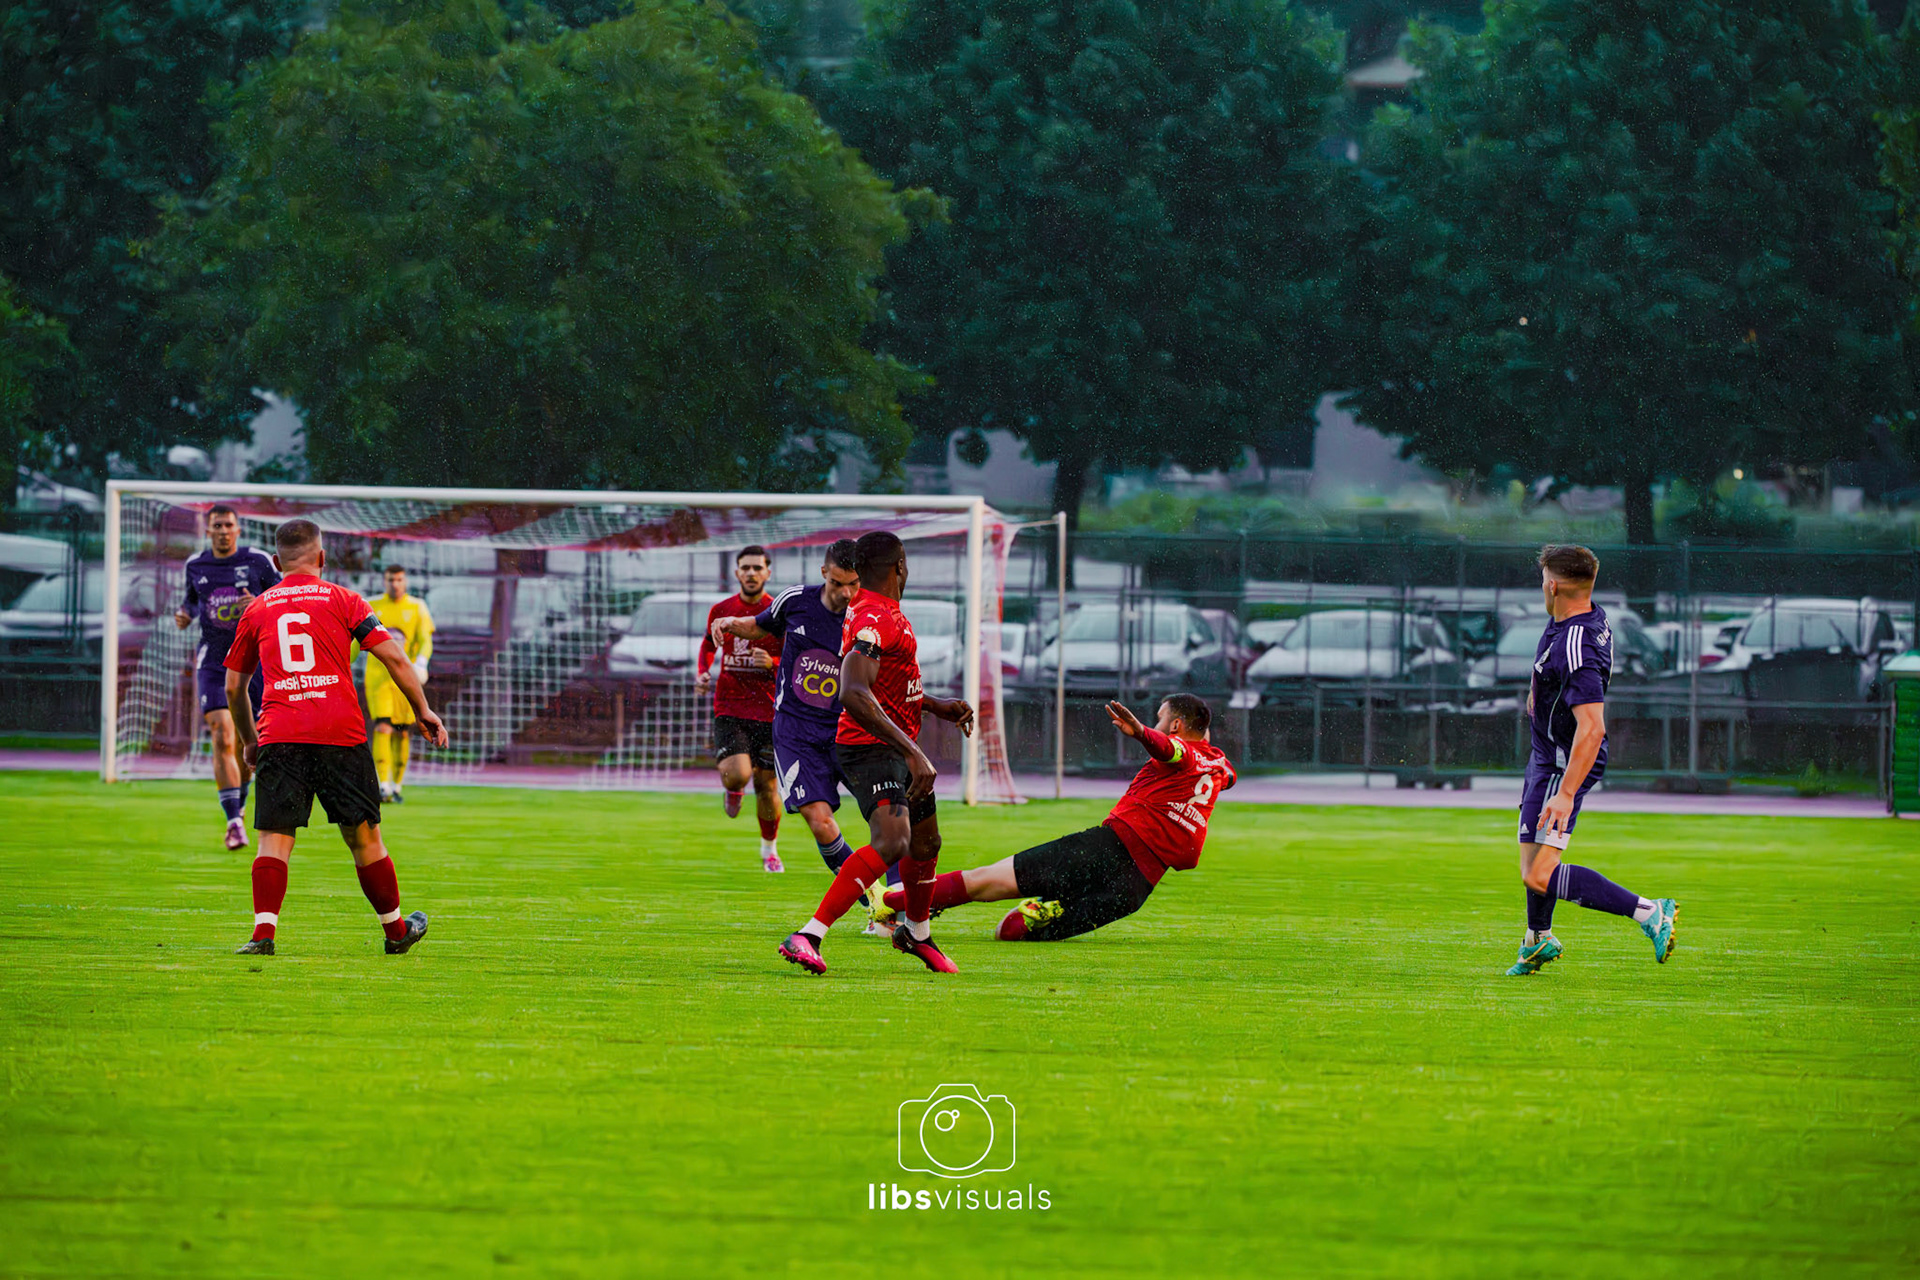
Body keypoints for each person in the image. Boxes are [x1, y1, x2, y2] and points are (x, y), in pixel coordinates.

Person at [222, 519, 448, 957]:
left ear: (275, 562)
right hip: (339, 733)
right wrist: (422, 710)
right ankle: (397, 931)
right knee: (364, 838)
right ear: (322, 558)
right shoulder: (345, 600)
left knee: (274, 838)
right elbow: (395, 658)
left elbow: (234, 687)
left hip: (281, 734)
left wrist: (251, 740)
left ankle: (263, 935)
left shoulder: (259, 608)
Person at [778, 531, 974, 975]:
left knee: (926, 842)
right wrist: (913, 753)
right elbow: (852, 691)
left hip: (895, 744)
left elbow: (884, 683)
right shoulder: (873, 616)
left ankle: (916, 934)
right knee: (893, 841)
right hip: (870, 749)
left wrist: (935, 705)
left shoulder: (883, 613)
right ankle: (809, 934)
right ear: (900, 565)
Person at [882, 695, 1234, 941]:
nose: (1155, 723)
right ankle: (891, 904)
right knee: (1010, 925)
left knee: (990, 892)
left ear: (1174, 724)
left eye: (1160, 717)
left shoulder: (1180, 752)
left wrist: (1142, 732)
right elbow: (1222, 772)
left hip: (1105, 851)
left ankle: (889, 903)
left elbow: (1169, 748)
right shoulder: (1219, 765)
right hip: (1134, 889)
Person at [1507, 544, 1678, 976]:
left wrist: (1565, 793)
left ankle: (1649, 912)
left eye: (1542, 580)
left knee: (1538, 874)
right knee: (1532, 855)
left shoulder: (1577, 645)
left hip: (1563, 762)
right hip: (1547, 754)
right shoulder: (1574, 616)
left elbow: (1593, 727)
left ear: (1553, 585)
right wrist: (1538, 690)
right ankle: (1536, 939)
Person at [711, 539, 876, 902]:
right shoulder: (795, 601)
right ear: (823, 574)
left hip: (848, 730)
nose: (846, 593)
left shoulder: (869, 618)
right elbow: (760, 626)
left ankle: (897, 897)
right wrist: (731, 624)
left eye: (853, 584)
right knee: (819, 821)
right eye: (837, 583)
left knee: (886, 820)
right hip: (795, 732)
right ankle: (875, 900)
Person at [174, 503, 280, 850]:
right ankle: (234, 822)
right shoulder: (196, 564)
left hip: (253, 663)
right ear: (208, 530)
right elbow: (192, 601)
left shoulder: (258, 561)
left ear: (238, 529)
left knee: (247, 745)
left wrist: (260, 602)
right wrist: (185, 614)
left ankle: (240, 799)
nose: (222, 530)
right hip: (215, 661)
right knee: (222, 734)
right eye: (216, 525)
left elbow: (284, 598)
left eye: (228, 525)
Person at [697, 546, 784, 871]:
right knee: (738, 776)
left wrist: (773, 662)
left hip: (770, 711)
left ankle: (769, 850)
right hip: (731, 706)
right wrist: (703, 671)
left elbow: (795, 657)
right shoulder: (722, 610)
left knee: (766, 786)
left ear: (767, 573)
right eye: (744, 568)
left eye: (756, 568)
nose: (750, 573)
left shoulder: (777, 612)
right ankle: (733, 789)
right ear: (737, 573)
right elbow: (708, 643)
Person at [363, 564, 435, 803]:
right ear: (385, 582)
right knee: (383, 727)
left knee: (403, 734)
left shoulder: (417, 607)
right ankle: (382, 785)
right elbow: (356, 642)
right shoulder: (373, 606)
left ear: (405, 582)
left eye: (399, 579)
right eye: (391, 580)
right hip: (379, 679)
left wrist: (422, 663)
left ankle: (396, 785)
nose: (395, 584)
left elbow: (425, 639)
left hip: (406, 679)